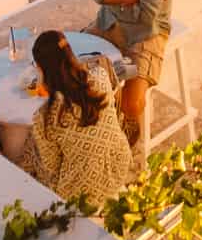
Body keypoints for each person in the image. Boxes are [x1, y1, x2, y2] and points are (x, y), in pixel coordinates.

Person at [89, 0, 175, 153]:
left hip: (147, 32)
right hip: (110, 22)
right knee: (75, 66)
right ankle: (96, 138)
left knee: (132, 103)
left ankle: (122, 153)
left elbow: (148, 12)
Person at [19, 30, 133, 202]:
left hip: (82, 193)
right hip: (120, 165)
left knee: (30, 151)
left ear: (41, 69)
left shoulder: (45, 117)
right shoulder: (100, 77)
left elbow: (52, 169)